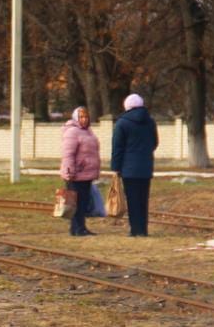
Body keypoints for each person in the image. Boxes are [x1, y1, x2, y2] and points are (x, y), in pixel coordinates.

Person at [111, 93, 158, 237]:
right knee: (143, 199)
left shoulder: (122, 123)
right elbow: (155, 142)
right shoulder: (150, 121)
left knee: (132, 200)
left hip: (129, 169)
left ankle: (134, 230)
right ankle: (143, 230)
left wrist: (115, 168)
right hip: (146, 167)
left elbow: (117, 147)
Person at [60, 106, 100, 236]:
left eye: (86, 117)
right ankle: (76, 228)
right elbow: (68, 154)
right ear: (76, 118)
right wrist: (69, 171)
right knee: (75, 202)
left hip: (87, 174)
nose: (84, 119)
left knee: (83, 202)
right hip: (76, 174)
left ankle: (80, 227)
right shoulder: (72, 132)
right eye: (81, 117)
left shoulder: (88, 131)